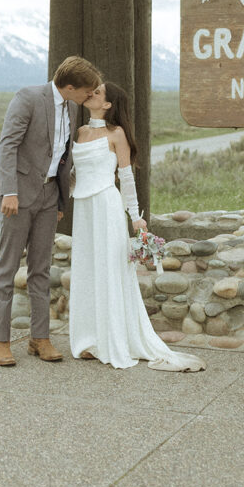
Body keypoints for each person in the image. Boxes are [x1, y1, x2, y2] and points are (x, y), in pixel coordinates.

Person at [69, 81, 206, 372]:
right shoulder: (80, 133)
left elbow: (126, 177)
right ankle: (90, 339)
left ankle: (114, 340)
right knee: (87, 269)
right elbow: (73, 173)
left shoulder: (116, 134)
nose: (91, 93)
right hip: (82, 208)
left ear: (107, 105)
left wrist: (135, 216)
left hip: (106, 206)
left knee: (110, 270)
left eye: (98, 92)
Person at [0, 56, 102, 367]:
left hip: (50, 196)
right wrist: (9, 191)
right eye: (87, 91)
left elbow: (62, 157)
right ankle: (0, 341)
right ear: (69, 86)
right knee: (7, 268)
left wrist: (61, 202)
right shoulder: (28, 98)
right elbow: (7, 146)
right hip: (18, 195)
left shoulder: (72, 106)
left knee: (41, 268)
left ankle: (40, 338)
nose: (90, 97)